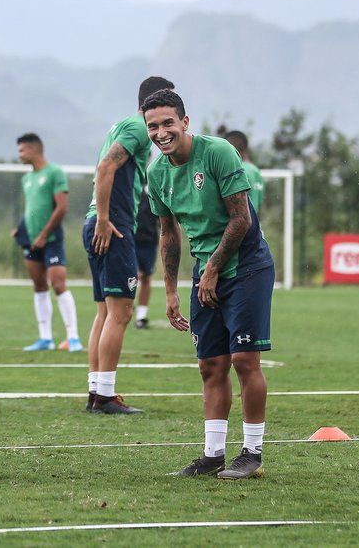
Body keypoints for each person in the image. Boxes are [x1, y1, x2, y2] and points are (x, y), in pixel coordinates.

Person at [144, 90, 274, 481]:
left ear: (185, 122)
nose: (161, 132)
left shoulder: (218, 153)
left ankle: (252, 453)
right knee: (210, 365)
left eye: (168, 123)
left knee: (244, 361)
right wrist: (169, 290)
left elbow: (241, 220)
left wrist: (213, 269)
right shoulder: (156, 173)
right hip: (205, 271)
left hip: (246, 266)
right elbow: (168, 234)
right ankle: (212, 455)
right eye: (153, 126)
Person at [82, 75, 172, 414]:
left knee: (104, 312)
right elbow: (107, 167)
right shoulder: (137, 128)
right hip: (113, 226)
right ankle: (105, 396)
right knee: (121, 313)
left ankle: (96, 392)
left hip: (98, 222)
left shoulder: (122, 125)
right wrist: (106, 220)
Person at [13, 132, 81, 352]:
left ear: (34, 149)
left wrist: (43, 235)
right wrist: (22, 230)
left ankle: (73, 338)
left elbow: (62, 208)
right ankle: (45, 338)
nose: (19, 155)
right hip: (31, 241)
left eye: (22, 150)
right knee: (39, 286)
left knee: (59, 284)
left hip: (51, 239)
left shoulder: (55, 172)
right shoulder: (27, 178)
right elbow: (33, 209)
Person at [220, 130, 264, 214]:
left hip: (242, 224)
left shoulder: (238, 170)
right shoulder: (256, 171)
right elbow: (259, 206)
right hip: (256, 225)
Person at [133, 186, 158, 329]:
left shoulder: (152, 187)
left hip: (149, 240)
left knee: (146, 277)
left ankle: (141, 316)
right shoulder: (130, 184)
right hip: (130, 238)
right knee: (133, 275)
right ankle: (126, 308)